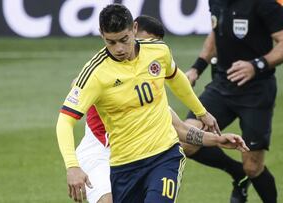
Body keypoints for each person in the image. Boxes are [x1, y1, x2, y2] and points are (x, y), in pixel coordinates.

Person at [56, 4, 248, 203]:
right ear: (101, 36)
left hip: (163, 156)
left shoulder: (157, 54)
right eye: (111, 42)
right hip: (111, 157)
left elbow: (177, 83)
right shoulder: (95, 76)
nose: (119, 49)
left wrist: (203, 115)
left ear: (134, 29)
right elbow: (64, 121)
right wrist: (72, 166)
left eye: (124, 40)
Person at [184, 0, 283, 202]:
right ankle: (238, 173)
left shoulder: (263, 4)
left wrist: (256, 65)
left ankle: (248, 176)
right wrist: (196, 68)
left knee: (253, 167)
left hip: (256, 91)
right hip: (222, 85)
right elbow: (215, 30)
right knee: (186, 140)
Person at [74, 15, 165, 203]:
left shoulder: (149, 87)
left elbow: (176, 125)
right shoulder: (102, 72)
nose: (146, 50)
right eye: (143, 42)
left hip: (135, 155)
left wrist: (210, 136)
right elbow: (76, 87)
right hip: (100, 152)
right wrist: (72, 166)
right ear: (132, 31)